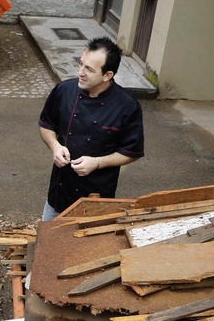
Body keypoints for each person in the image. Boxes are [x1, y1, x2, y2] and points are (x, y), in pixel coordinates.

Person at [38, 36, 144, 221]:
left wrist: (96, 162)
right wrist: (55, 146)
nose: (80, 72)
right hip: (59, 193)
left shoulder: (127, 106)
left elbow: (132, 152)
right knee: (47, 242)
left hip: (97, 198)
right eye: (80, 64)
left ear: (107, 75)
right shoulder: (64, 91)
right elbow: (46, 125)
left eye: (89, 69)